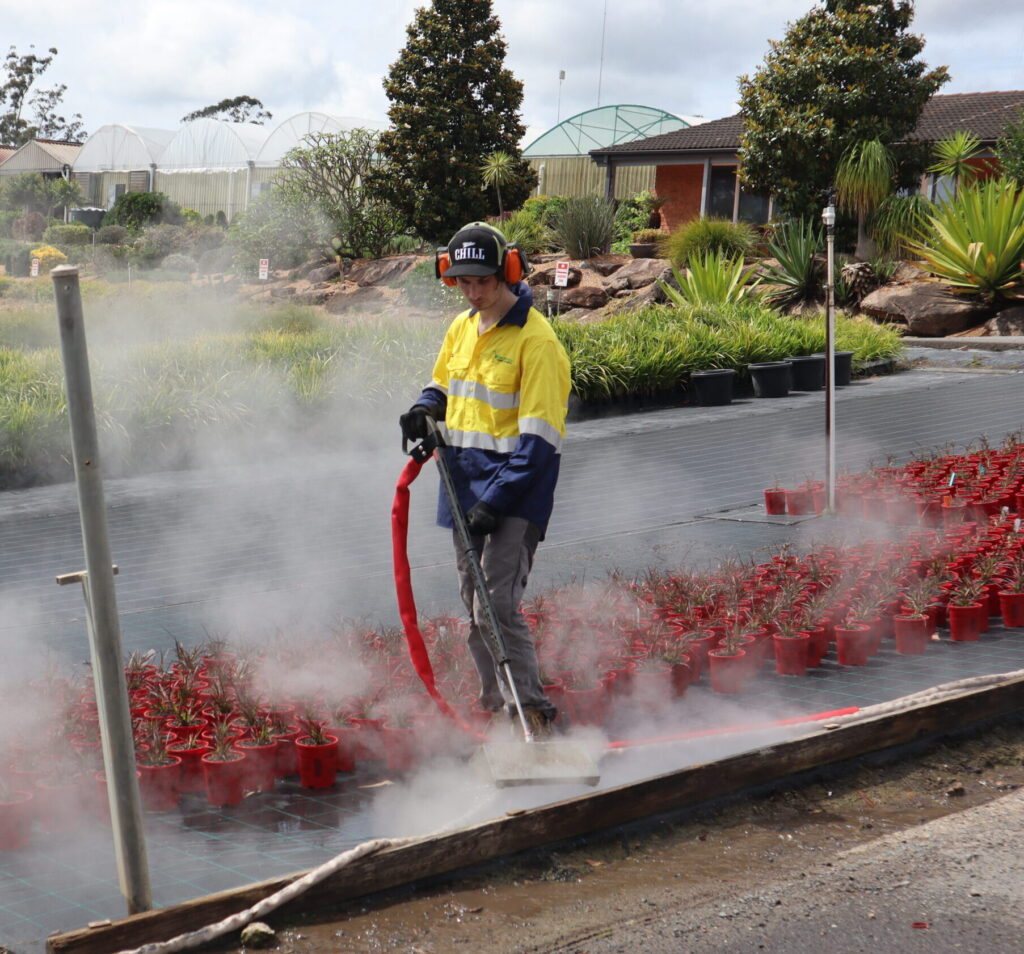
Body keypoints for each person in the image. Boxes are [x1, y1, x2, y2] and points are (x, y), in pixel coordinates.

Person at [399, 221, 571, 736]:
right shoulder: (462, 327)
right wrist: (425, 406)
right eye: (463, 283)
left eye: (483, 282)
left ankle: (532, 714)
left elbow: (540, 442)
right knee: (474, 605)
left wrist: (496, 500)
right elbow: (444, 382)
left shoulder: (537, 344)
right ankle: (499, 709)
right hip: (462, 484)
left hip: (514, 493)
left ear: (509, 273)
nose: (473, 293)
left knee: (496, 606)